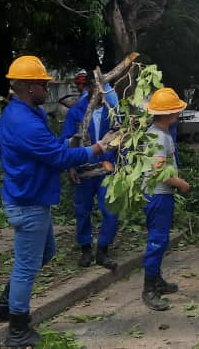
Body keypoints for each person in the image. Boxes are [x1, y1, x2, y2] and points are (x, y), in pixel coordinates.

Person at [0, 56, 116, 348]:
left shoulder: (29, 113)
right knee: (26, 265)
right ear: (29, 86)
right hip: (28, 202)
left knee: (46, 251)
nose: (48, 89)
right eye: (44, 84)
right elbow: (58, 158)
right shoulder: (24, 122)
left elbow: (52, 147)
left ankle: (5, 303)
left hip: (31, 197)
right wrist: (97, 148)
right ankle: (17, 332)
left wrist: (73, 142)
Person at [62, 71, 119, 270]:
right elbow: (67, 141)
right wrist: (70, 166)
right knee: (83, 210)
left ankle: (103, 250)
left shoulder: (111, 110)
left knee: (111, 210)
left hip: (106, 169)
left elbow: (122, 137)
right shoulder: (76, 112)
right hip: (84, 171)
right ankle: (86, 248)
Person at [142, 87, 193, 311]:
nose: (179, 114)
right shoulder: (158, 137)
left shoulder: (159, 133)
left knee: (160, 240)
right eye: (177, 110)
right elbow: (157, 171)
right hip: (158, 196)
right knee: (157, 241)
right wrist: (181, 184)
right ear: (170, 114)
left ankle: (157, 280)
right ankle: (149, 290)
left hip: (159, 195)